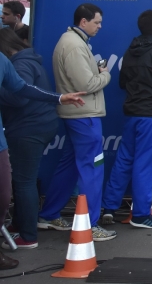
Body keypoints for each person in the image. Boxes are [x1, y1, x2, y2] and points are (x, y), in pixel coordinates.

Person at [39, 3, 116, 242]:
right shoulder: (73, 44)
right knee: (92, 168)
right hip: (83, 115)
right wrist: (106, 73)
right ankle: (90, 224)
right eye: (97, 22)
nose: (100, 27)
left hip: (78, 114)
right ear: (83, 22)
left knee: (70, 165)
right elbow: (88, 84)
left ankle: (49, 214)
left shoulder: (73, 41)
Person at [0, 49, 85, 265]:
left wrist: (59, 97)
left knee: (6, 192)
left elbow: (22, 89)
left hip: (14, 135)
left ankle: (24, 233)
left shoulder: (5, 62)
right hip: (23, 130)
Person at [101, 10, 152, 229]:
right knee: (145, 164)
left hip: (132, 113)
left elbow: (122, 82)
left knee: (124, 160)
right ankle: (141, 214)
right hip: (151, 115)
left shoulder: (130, 50)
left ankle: (109, 207)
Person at [0, 30, 57, 248]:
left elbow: (19, 97)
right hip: (39, 124)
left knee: (24, 181)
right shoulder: (28, 60)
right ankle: (21, 224)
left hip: (28, 128)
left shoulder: (19, 65)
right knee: (24, 180)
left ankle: (28, 235)